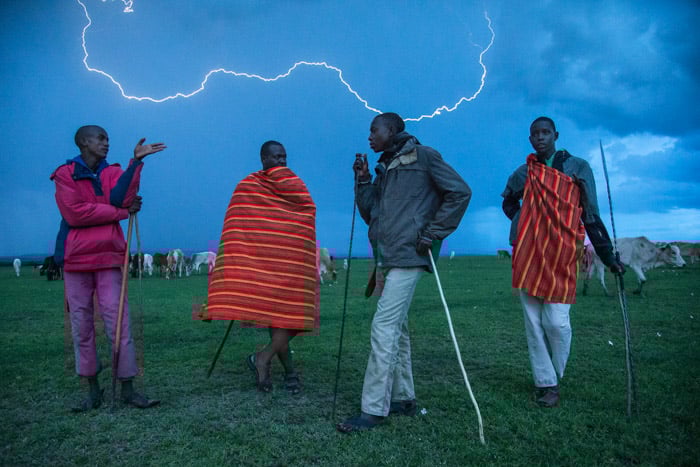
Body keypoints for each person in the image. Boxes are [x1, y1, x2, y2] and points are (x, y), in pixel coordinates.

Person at [336, 112, 472, 433]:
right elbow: (372, 214)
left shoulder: (424, 157)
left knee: (383, 327)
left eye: (374, 130)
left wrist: (433, 232)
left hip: (411, 255)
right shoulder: (386, 167)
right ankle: (403, 397)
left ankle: (373, 409)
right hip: (388, 256)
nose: (369, 136)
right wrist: (364, 180)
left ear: (393, 130)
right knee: (398, 328)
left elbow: (460, 192)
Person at [501, 116, 625, 408]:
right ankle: (547, 384)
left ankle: (555, 372)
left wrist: (608, 257)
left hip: (563, 253)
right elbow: (508, 201)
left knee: (556, 323)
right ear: (530, 139)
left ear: (555, 135)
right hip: (529, 252)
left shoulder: (578, 167)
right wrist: (527, 224)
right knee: (533, 322)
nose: (540, 138)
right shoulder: (524, 173)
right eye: (535, 134)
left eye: (545, 132)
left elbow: (590, 214)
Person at [51, 125, 165, 411]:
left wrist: (136, 163)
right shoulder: (65, 174)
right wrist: (119, 214)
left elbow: (123, 199)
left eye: (107, 139)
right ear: (82, 142)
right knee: (81, 325)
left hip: (110, 257)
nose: (105, 143)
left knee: (119, 323)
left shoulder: (113, 171)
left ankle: (127, 388)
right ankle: (92, 391)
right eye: (100, 138)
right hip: (76, 259)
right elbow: (75, 214)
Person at [205, 141, 319, 394]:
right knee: (278, 319)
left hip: (289, 264)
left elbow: (307, 212)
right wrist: (247, 257)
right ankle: (288, 372)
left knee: (294, 318)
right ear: (263, 159)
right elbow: (238, 224)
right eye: (276, 157)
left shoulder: (296, 185)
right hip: (260, 265)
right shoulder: (248, 185)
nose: (281, 162)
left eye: (284, 157)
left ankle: (263, 358)